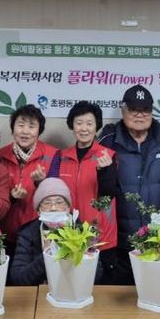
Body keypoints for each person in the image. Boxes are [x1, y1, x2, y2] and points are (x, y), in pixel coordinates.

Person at [98, 84, 160, 285]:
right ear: (123, 111)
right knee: (120, 298)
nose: (139, 115)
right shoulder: (107, 141)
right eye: (133, 109)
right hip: (119, 243)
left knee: (156, 294)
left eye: (145, 110)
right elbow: (97, 192)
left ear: (151, 112)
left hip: (158, 240)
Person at [48, 101, 120, 253]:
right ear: (72, 127)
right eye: (79, 123)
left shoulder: (108, 155)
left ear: (96, 127)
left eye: (89, 123)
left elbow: (108, 194)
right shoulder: (61, 156)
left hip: (100, 236)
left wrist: (105, 171)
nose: (84, 128)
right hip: (68, 233)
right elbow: (50, 190)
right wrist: (38, 182)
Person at [0, 105, 57, 250]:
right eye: (20, 125)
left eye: (31, 126)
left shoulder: (53, 154)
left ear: (39, 131)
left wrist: (41, 182)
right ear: (13, 128)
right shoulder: (0, 155)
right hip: (6, 232)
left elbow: (58, 195)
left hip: (39, 233)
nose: (25, 131)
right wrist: (11, 197)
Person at [10, 178, 75, 285]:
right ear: (39, 210)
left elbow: (96, 274)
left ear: (68, 208)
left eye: (59, 202)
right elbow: (17, 277)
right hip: (39, 291)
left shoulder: (81, 230)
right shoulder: (27, 234)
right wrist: (45, 256)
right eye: (47, 203)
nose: (53, 208)